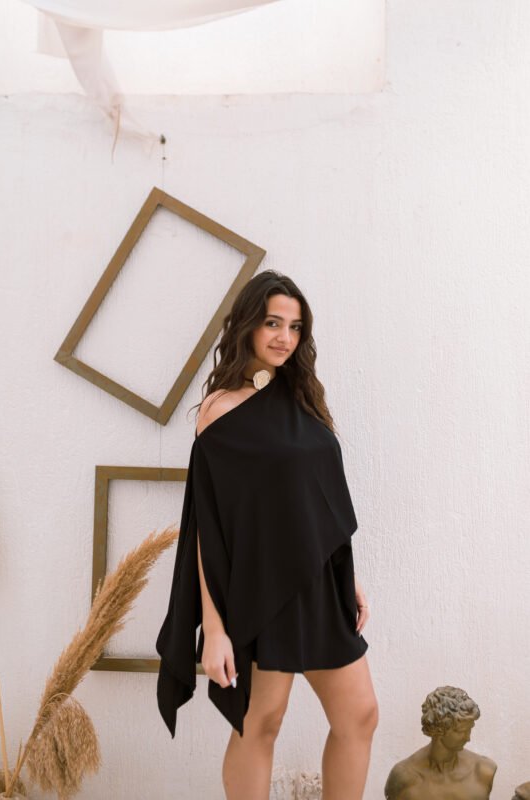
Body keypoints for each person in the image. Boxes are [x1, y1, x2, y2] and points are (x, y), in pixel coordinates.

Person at [156, 269, 378, 800]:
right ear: (248, 325)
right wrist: (214, 630)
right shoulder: (220, 410)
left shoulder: (302, 396)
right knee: (262, 722)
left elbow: (317, 497)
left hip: (320, 582)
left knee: (360, 714)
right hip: (260, 588)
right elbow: (207, 526)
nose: (284, 337)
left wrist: (346, 574)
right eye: (273, 323)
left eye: (295, 327)